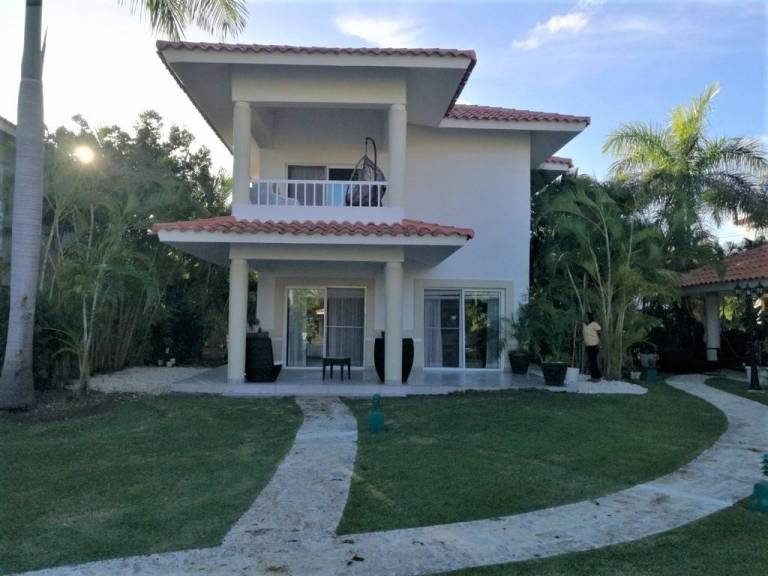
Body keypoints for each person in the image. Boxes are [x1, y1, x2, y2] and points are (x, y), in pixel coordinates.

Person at [582, 312, 602, 382]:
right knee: (591, 362)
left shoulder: (594, 324)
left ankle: (597, 377)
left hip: (594, 345)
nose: (585, 318)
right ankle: (593, 377)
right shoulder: (584, 325)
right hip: (588, 345)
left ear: (589, 317)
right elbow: (585, 335)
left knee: (594, 361)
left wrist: (600, 342)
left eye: (586, 317)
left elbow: (600, 332)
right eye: (584, 317)